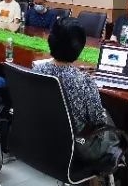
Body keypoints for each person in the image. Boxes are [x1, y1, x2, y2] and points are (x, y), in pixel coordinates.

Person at [33, 18, 122, 162]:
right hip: (76, 147)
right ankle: (116, 166)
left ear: (50, 41)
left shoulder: (37, 69)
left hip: (42, 138)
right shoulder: (84, 81)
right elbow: (98, 121)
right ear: (80, 47)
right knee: (107, 117)